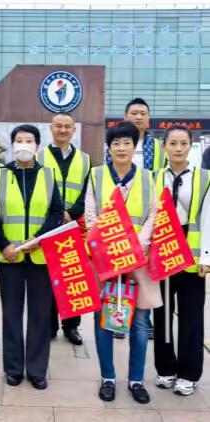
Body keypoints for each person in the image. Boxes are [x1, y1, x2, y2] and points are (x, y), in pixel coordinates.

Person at [86, 121, 162, 404]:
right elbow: (90, 214)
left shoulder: (145, 177)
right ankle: (108, 378)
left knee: (141, 322)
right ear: (109, 147)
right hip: (106, 259)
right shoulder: (96, 176)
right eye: (116, 143)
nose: (121, 147)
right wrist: (111, 248)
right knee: (104, 318)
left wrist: (138, 244)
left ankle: (136, 380)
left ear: (134, 146)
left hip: (139, 260)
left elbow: (154, 212)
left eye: (126, 142)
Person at [0, 124, 63, 390]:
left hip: (40, 257)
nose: (23, 144)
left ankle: (37, 369)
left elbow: (56, 213)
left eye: (28, 140)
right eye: (18, 140)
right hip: (9, 258)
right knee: (11, 314)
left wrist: (39, 238)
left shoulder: (47, 174)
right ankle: (13, 368)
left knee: (40, 315)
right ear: (12, 145)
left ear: (37, 146)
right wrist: (3, 244)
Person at [153, 125, 210, 396]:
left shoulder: (205, 178)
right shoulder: (152, 178)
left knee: (191, 317)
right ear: (164, 146)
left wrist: (207, 257)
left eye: (183, 143)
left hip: (191, 256)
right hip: (162, 255)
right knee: (161, 315)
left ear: (191, 146)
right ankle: (165, 369)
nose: (178, 148)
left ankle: (188, 374)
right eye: (173, 143)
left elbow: (209, 220)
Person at [107, 97, 164, 340]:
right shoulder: (114, 143)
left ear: (148, 118)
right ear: (125, 115)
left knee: (143, 274)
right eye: (134, 113)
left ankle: (143, 320)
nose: (138, 117)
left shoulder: (158, 147)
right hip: (117, 217)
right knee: (118, 271)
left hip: (146, 218)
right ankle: (119, 315)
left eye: (143, 113)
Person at [38, 113, 90, 345]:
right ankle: (49, 326)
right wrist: (57, 213)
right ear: (51, 128)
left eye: (67, 126)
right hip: (48, 224)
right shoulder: (40, 156)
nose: (62, 130)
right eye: (58, 126)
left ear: (73, 130)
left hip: (74, 225)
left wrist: (72, 213)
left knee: (72, 277)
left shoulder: (85, 159)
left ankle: (71, 327)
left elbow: (88, 192)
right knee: (48, 279)